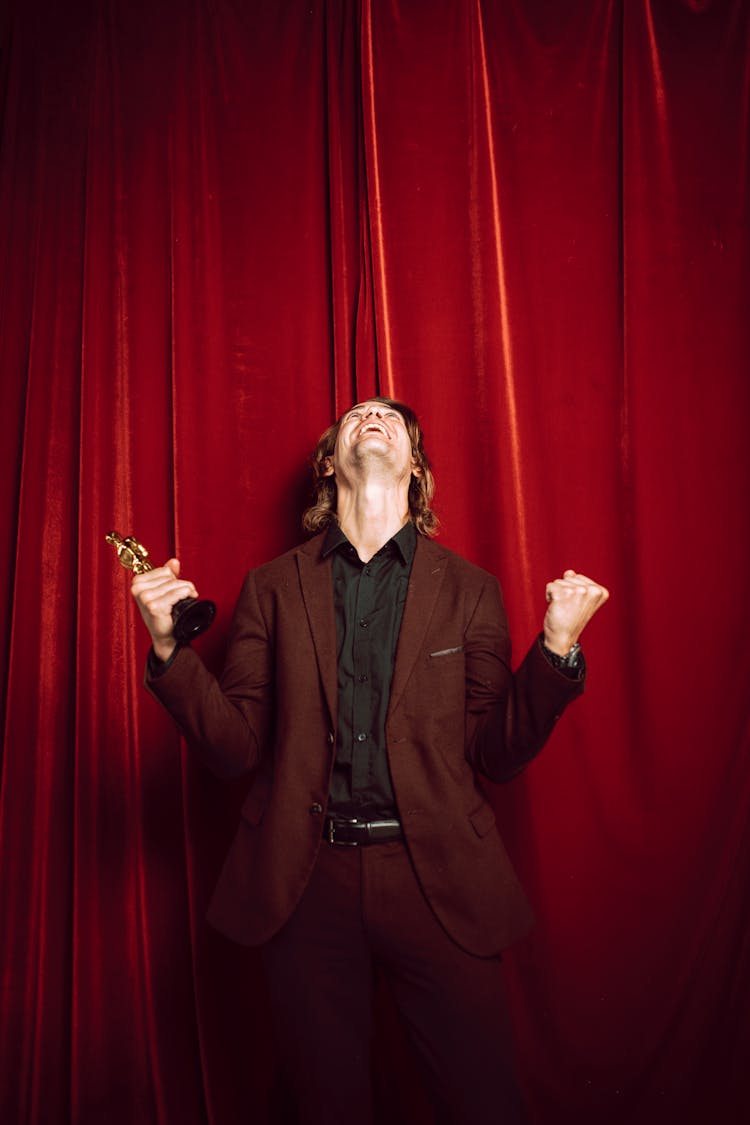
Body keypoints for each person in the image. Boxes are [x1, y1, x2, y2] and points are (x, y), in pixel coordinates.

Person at [131, 398, 609, 1124]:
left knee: (484, 1102)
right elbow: (233, 749)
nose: (373, 416)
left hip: (438, 878)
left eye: (392, 418)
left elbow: (495, 752)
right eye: (357, 415)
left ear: (416, 468)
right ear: (329, 463)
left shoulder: (470, 588)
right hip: (306, 881)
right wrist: (170, 650)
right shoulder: (271, 587)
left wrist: (555, 651)